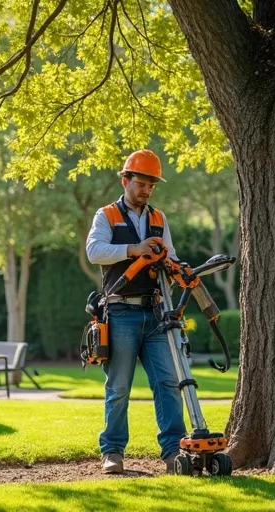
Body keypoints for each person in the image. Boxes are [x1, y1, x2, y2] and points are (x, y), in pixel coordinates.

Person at [85, 149, 186, 474]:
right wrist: (134, 249)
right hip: (120, 312)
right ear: (125, 181)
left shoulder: (159, 219)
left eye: (151, 185)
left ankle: (174, 451)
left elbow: (170, 255)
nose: (146, 190)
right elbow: (94, 251)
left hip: (156, 314)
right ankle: (112, 452)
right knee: (118, 387)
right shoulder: (106, 215)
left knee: (168, 382)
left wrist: (177, 267)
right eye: (141, 184)